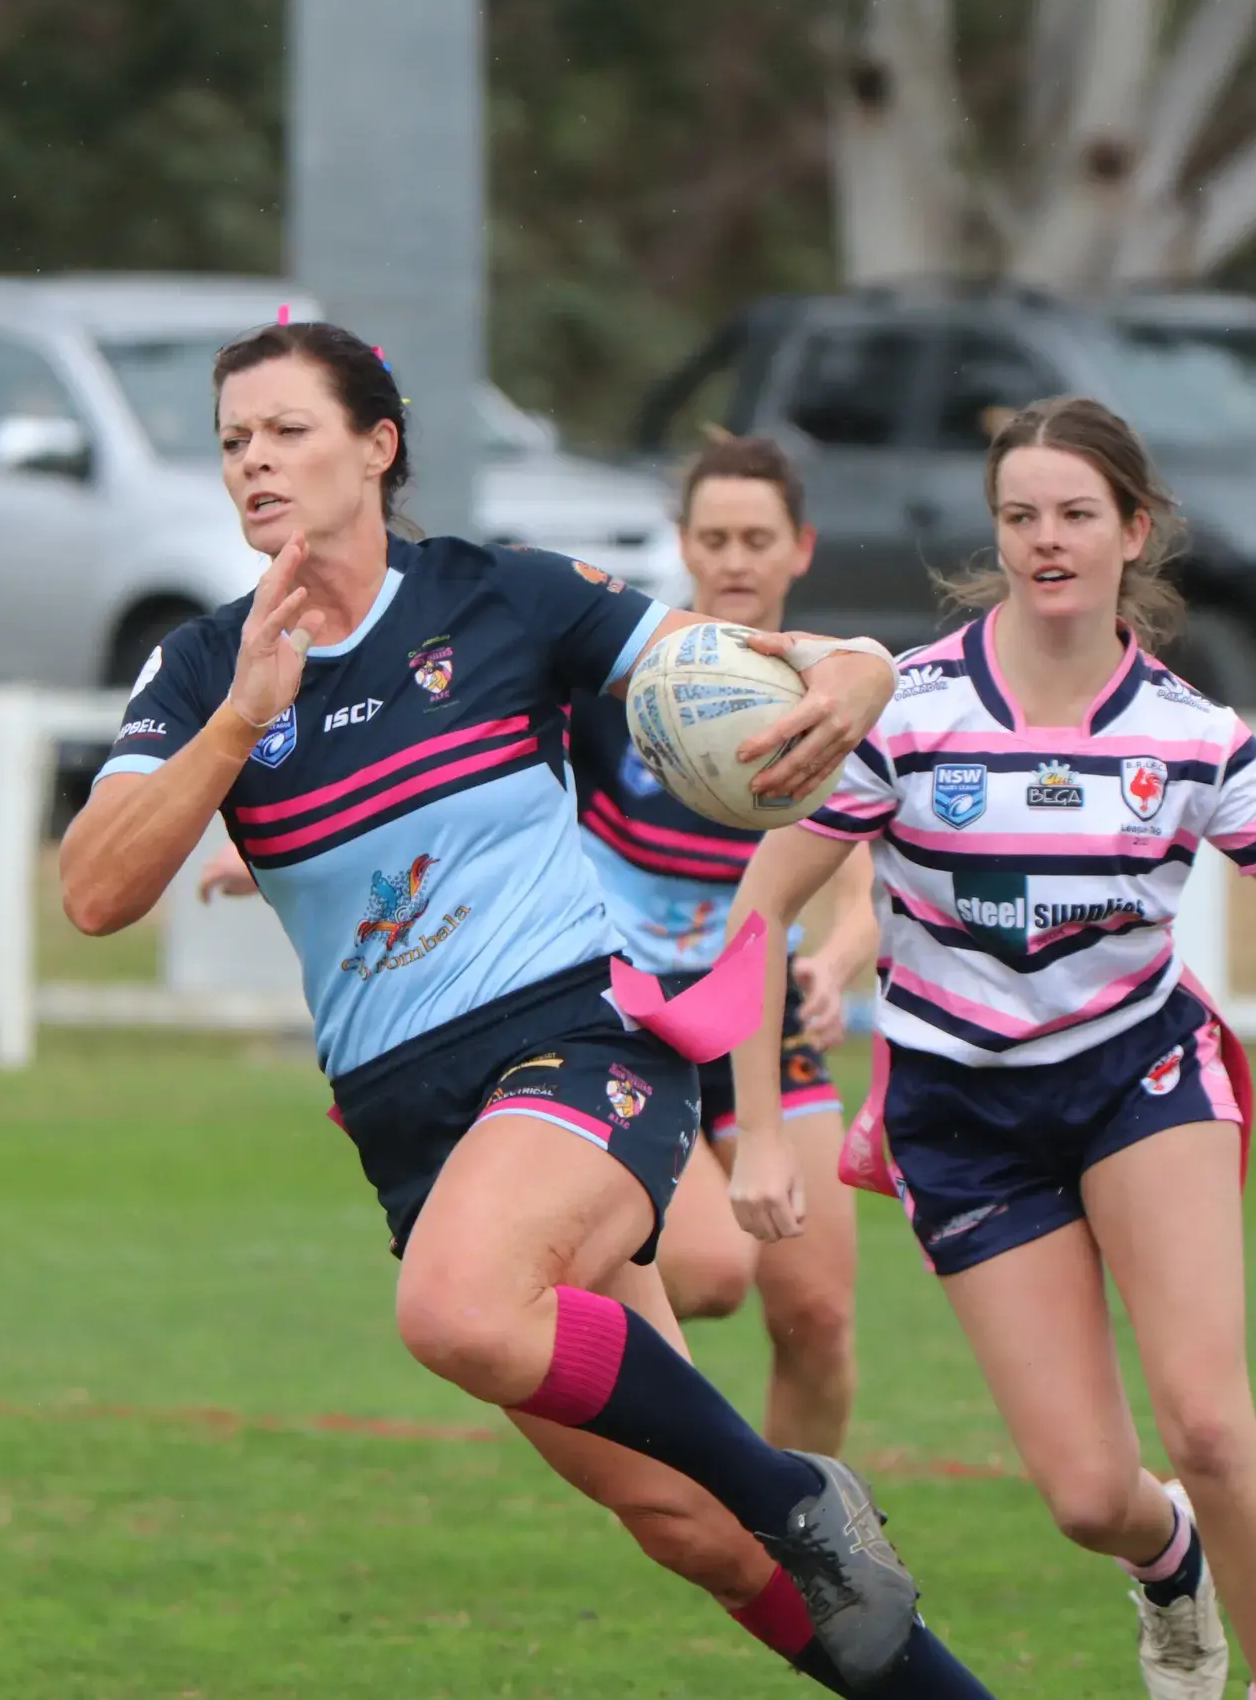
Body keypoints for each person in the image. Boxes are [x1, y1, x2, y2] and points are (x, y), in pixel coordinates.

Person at [61, 318, 1001, 1698]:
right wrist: (230, 729)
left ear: (377, 448)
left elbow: (734, 658)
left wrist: (858, 662)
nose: (253, 463)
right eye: (231, 444)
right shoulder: (202, 669)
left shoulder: (502, 596)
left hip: (574, 1047)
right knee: (689, 1527)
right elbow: (93, 893)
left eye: (286, 432)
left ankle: (799, 1488)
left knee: (456, 1311)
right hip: (408, 1123)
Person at [725, 397, 1256, 1700]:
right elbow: (756, 908)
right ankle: (1171, 1563)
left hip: (1142, 1083)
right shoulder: (911, 710)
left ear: (1134, 528)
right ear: (995, 535)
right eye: (1020, 516)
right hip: (961, 1119)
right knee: (1085, 1493)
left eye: (1074, 514)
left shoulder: (1188, 734)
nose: (1046, 539)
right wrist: (762, 1129)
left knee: (1212, 1426)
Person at [568, 433, 873, 1455]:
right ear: (683, 546)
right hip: (629, 1019)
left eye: (757, 537)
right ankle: (528, 1298)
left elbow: (859, 894)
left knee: (820, 1319)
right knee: (707, 1272)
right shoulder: (620, 691)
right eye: (714, 537)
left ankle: (820, 1552)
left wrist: (832, 963)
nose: (735, 558)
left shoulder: (834, 703)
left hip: (762, 1023)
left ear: (801, 549)